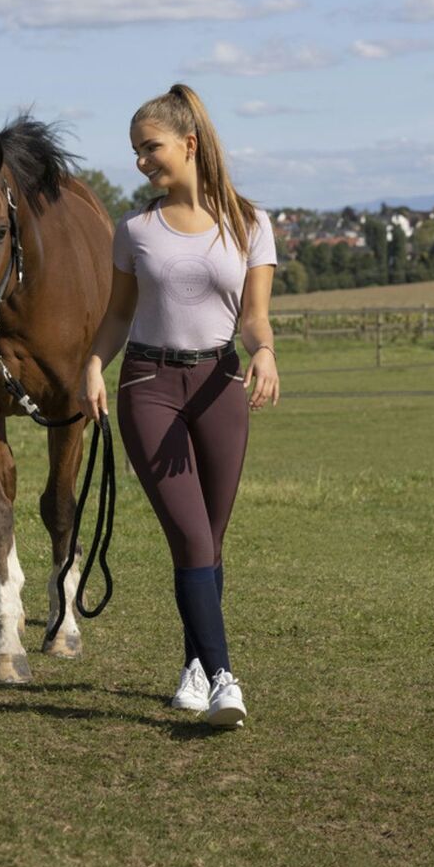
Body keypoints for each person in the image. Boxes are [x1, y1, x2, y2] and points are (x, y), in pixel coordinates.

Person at [78, 83, 279, 729]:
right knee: (191, 535)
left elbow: (253, 317)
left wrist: (265, 351)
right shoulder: (134, 231)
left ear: (189, 144)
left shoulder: (250, 224)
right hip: (148, 386)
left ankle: (193, 665)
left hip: (221, 385)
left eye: (150, 148)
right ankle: (222, 677)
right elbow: (117, 316)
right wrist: (93, 364)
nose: (141, 162)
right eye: (136, 151)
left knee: (209, 542)